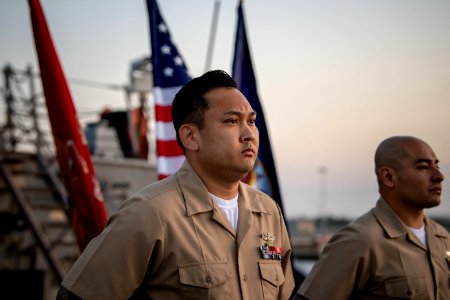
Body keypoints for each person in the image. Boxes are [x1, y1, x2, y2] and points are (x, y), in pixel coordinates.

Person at [57, 70, 294, 299]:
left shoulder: (269, 213)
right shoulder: (151, 213)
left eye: (251, 121)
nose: (249, 134)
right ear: (190, 136)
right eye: (232, 121)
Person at [294, 136, 450, 300]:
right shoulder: (359, 241)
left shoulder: (442, 238)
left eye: (437, 165)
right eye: (423, 167)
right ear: (388, 177)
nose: (439, 176)